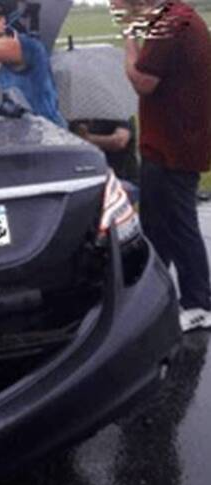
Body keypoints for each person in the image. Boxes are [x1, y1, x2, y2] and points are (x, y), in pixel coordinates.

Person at [114, 0, 211, 331]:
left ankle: (199, 303)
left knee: (179, 224)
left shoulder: (171, 23)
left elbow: (143, 81)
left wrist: (128, 39)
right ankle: (150, 295)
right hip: (170, 143)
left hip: (174, 145)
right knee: (157, 225)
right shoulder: (175, 18)